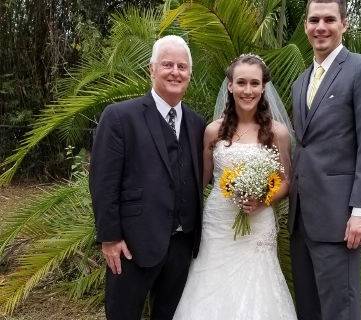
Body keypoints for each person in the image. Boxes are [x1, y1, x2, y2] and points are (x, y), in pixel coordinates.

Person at [89, 35, 205, 320]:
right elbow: (103, 181)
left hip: (182, 244)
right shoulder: (119, 117)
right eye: (167, 64)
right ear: (151, 69)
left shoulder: (197, 123)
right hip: (133, 245)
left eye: (182, 66)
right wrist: (110, 238)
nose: (175, 72)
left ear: (190, 73)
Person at [172, 54, 297, 320]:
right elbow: (201, 180)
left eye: (254, 83)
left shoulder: (278, 133)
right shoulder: (212, 131)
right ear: (230, 85)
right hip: (218, 222)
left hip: (259, 223)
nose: (247, 90)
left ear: (263, 87)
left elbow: (287, 181)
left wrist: (263, 200)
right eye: (241, 82)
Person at [288, 0, 361, 319]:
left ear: (344, 24)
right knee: (309, 308)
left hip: (339, 219)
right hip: (301, 218)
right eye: (314, 19)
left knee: (340, 310)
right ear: (305, 25)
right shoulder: (300, 81)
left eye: (329, 19)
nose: (321, 26)